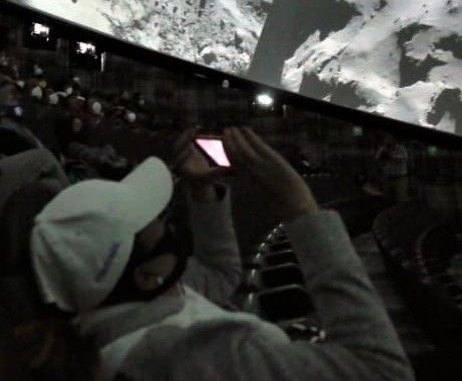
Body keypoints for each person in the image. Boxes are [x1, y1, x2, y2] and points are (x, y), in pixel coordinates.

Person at [30, 127, 411, 381]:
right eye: (156, 222)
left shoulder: (122, 300)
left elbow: (219, 277)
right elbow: (382, 370)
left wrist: (202, 192)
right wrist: (302, 211)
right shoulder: (190, 360)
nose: (168, 224)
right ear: (145, 274)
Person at [375, 134, 411, 203]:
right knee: (387, 198)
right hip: (388, 177)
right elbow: (376, 160)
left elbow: (404, 159)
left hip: (400, 178)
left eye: (389, 138)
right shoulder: (383, 149)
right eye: (386, 138)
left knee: (401, 198)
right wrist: (382, 155)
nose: (387, 140)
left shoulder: (401, 148)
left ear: (394, 140)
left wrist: (391, 156)